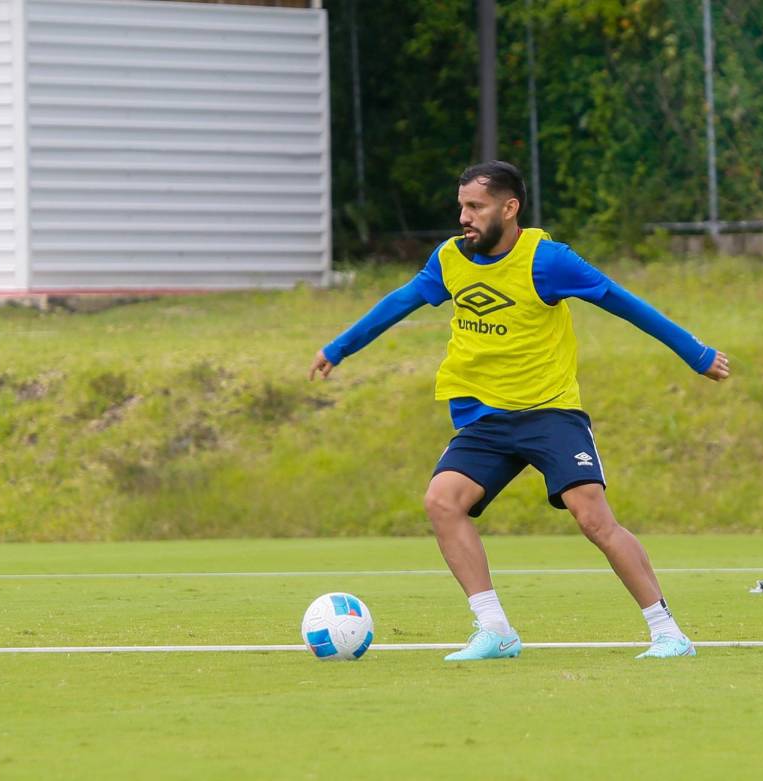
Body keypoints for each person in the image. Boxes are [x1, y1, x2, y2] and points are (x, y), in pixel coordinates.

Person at [309, 161, 729, 661]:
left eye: (475, 207)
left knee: (592, 517)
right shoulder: (449, 260)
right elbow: (398, 302)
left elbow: (624, 302)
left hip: (549, 412)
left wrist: (696, 354)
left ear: (509, 209)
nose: (463, 216)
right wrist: (339, 348)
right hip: (484, 417)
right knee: (443, 502)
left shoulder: (548, 261)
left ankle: (667, 632)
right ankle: (496, 630)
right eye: (461, 206)